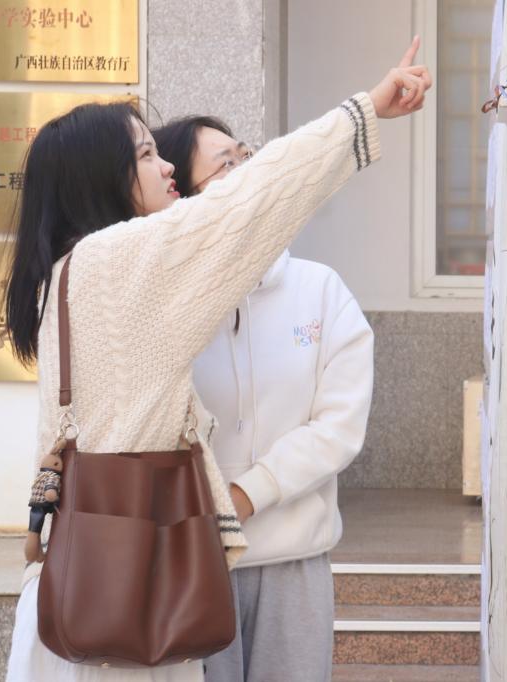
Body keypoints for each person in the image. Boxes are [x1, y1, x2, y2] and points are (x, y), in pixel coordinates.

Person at [3, 38, 431, 681]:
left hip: (79, 592)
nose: (166, 168)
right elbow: (251, 198)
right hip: (130, 601)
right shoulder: (119, 262)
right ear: (101, 179)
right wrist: (365, 110)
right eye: (146, 155)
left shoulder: (65, 273)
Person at [152, 114, 373, 681]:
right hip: (193, 560)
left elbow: (338, 427)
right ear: (186, 196)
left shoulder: (321, 291)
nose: (248, 170)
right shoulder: (166, 302)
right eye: (224, 165)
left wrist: (246, 495)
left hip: (294, 563)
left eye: (246, 155)